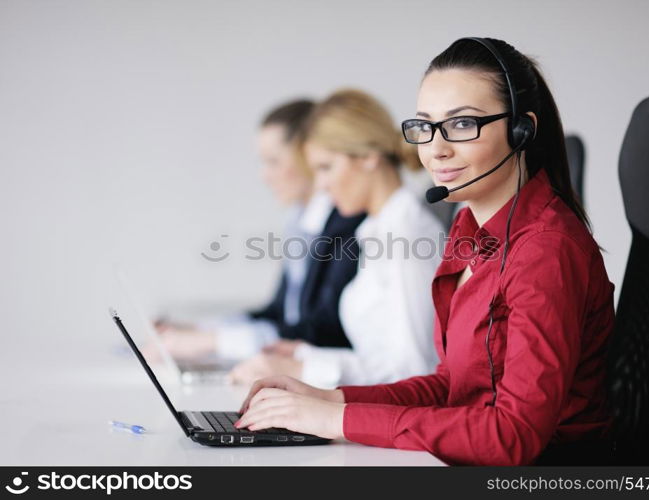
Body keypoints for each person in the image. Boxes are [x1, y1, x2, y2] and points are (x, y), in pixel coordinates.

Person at [233, 38, 616, 466]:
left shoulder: (546, 250)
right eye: (425, 126)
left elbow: (512, 436)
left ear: (520, 129)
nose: (436, 148)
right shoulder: (469, 232)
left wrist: (337, 420)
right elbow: (449, 385)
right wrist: (329, 399)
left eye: (462, 124)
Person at [229, 89, 443, 388]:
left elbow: (415, 370)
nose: (322, 185)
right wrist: (305, 355)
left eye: (326, 168)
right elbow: (379, 355)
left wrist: (302, 369)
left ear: (369, 157)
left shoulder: (405, 235)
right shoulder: (376, 230)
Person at [153, 99, 365, 366]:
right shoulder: (300, 223)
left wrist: (213, 340)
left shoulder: (349, 226)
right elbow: (279, 313)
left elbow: (323, 331)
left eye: (274, 161)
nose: (265, 175)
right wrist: (198, 329)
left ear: (307, 156)